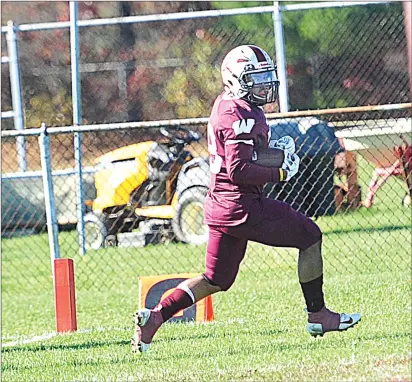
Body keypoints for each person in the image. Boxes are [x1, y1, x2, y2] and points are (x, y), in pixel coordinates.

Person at [132, 45, 361, 353]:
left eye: (266, 76)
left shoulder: (226, 104)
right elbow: (239, 168)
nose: (265, 84)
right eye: (256, 78)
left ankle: (154, 318)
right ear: (235, 79)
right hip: (242, 206)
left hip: (220, 205)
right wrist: (279, 172)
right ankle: (317, 314)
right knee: (310, 236)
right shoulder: (240, 114)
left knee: (215, 279)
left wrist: (273, 153)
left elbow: (237, 156)